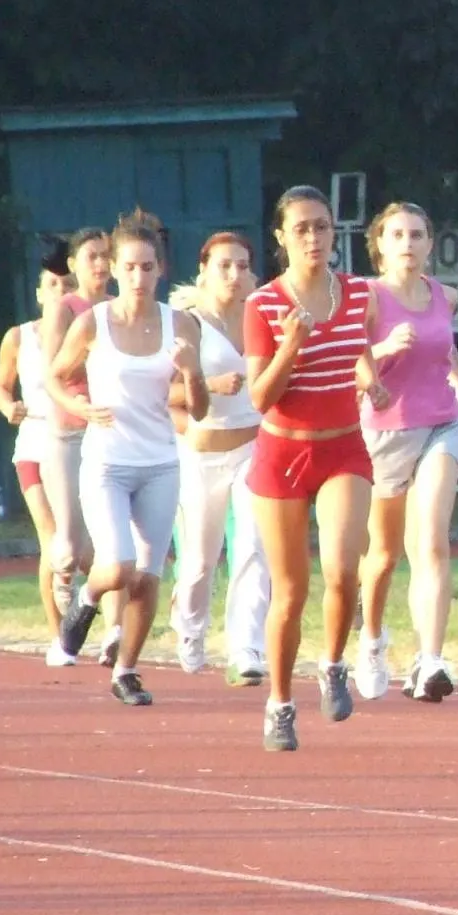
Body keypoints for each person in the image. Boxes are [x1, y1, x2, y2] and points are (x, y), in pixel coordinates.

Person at [244, 185, 384, 752]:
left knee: (344, 569)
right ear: (281, 236)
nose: (312, 238)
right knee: (290, 591)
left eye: (321, 227)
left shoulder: (358, 293)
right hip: (283, 455)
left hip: (343, 449)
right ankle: (279, 704)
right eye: (300, 229)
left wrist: (372, 375)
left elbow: (371, 340)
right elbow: (260, 396)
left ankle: (332, 664)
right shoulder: (264, 305)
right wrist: (290, 346)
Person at [47, 214, 207, 704]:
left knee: (148, 573)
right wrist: (77, 407)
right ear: (114, 270)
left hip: (160, 462)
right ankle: (87, 598)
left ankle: (127, 670)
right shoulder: (92, 323)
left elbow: (199, 409)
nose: (139, 278)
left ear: (161, 270)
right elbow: (55, 377)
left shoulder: (181, 325)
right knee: (117, 566)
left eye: (148, 267)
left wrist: (191, 372)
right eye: (130, 267)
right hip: (108, 462)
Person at [355, 202, 458, 703]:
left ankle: (430, 659)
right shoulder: (367, 298)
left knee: (431, 542)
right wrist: (384, 350)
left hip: (441, 425)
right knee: (383, 556)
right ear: (380, 245)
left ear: (430, 244)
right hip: (385, 433)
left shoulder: (443, 296)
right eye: (397, 235)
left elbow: (446, 351)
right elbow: (348, 362)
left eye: (416, 234)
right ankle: (372, 640)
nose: (407, 244)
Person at [169, 231, 272, 684]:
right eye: (224, 266)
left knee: (253, 547)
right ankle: (190, 630)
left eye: (242, 266)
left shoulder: (261, 318)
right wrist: (209, 385)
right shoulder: (187, 323)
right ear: (204, 272)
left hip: (254, 447)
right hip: (201, 454)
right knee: (198, 561)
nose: (234, 274)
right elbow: (161, 394)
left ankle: (246, 646)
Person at [0, 245, 76, 663]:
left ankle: (91, 614)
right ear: (40, 293)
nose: (61, 292)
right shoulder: (19, 337)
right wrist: (9, 406)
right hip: (34, 442)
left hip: (78, 441)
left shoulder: (87, 333)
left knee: (78, 544)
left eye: (68, 285)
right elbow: (2, 386)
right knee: (51, 537)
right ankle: (59, 637)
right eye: (53, 285)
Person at [43, 227, 116, 663]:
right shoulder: (64, 309)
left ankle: (113, 633)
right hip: (69, 432)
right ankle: (65, 595)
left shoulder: (119, 307)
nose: (101, 264)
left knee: (113, 545)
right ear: (73, 264)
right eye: (92, 256)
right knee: (71, 547)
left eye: (107, 255)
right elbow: (53, 372)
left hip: (110, 433)